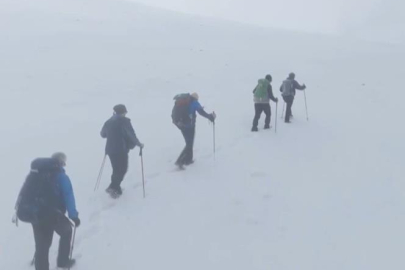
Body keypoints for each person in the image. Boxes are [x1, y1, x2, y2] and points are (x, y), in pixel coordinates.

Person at [29, 153, 80, 270]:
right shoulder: (61, 177)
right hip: (53, 214)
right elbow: (68, 196)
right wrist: (74, 216)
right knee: (67, 231)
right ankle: (63, 261)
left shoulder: (36, 174)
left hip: (35, 214)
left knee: (42, 244)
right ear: (61, 163)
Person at [100, 104, 144, 197]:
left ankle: (115, 187)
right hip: (121, 149)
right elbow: (131, 134)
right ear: (123, 112)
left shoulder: (109, 121)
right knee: (122, 169)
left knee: (116, 169)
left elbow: (103, 134)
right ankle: (113, 188)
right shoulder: (124, 121)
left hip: (110, 150)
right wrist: (138, 144)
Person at [173, 93, 215, 169]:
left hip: (182, 126)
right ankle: (180, 161)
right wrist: (210, 116)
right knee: (189, 144)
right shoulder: (194, 103)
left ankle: (188, 160)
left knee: (189, 143)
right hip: (189, 127)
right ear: (196, 98)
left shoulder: (184, 102)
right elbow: (201, 112)